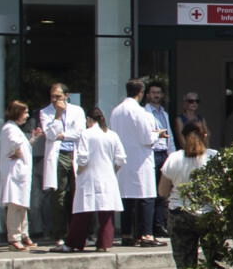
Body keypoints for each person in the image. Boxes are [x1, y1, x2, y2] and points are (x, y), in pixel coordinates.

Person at [160, 126, 216, 269]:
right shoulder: (214, 157)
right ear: (205, 135)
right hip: (209, 215)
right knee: (215, 263)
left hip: (180, 215)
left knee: (185, 266)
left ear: (182, 138)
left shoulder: (174, 159)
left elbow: (162, 190)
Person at [65, 104, 127, 252]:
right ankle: (104, 244)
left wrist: (79, 172)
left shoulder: (86, 134)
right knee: (106, 213)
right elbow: (121, 159)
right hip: (107, 177)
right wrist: (112, 171)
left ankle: (74, 243)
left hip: (89, 176)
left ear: (88, 119)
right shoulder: (112, 135)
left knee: (82, 212)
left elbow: (83, 158)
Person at [110, 79, 162, 246]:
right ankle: (146, 235)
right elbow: (146, 138)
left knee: (127, 198)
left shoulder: (116, 111)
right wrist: (157, 134)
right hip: (140, 160)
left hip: (124, 160)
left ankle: (126, 233)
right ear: (140, 93)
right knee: (146, 197)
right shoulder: (139, 112)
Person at [33, 82, 86, 246]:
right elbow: (50, 134)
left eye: (58, 96)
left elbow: (81, 132)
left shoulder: (77, 111)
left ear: (66, 96)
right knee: (59, 196)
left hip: (75, 154)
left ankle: (78, 232)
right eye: (52, 97)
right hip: (58, 156)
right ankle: (59, 234)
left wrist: (63, 136)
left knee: (77, 193)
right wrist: (57, 115)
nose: (55, 100)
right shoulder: (45, 112)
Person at [0, 99, 35, 249]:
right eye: (24, 112)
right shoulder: (9, 128)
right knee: (15, 205)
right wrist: (19, 149)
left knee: (22, 205)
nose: (27, 116)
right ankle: (13, 238)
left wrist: (31, 140)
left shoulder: (14, 128)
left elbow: (21, 147)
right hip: (14, 173)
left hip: (21, 173)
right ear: (17, 113)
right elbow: (16, 144)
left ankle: (24, 234)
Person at [142, 80, 174, 201]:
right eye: (153, 92)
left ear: (162, 95)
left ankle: (159, 220)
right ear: (148, 95)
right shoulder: (144, 113)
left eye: (158, 92)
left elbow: (169, 136)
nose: (156, 95)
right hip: (151, 153)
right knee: (150, 190)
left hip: (164, 154)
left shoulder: (164, 114)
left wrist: (172, 154)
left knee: (163, 191)